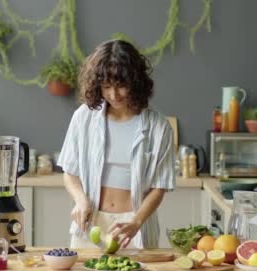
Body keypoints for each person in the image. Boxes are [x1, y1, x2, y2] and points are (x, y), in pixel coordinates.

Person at [56, 39, 175, 249]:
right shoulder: (83, 118)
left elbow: (160, 186)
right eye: (106, 87)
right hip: (90, 222)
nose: (113, 95)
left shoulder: (159, 127)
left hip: (133, 227)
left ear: (135, 82)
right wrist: (80, 200)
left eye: (121, 86)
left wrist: (136, 221)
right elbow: (70, 172)